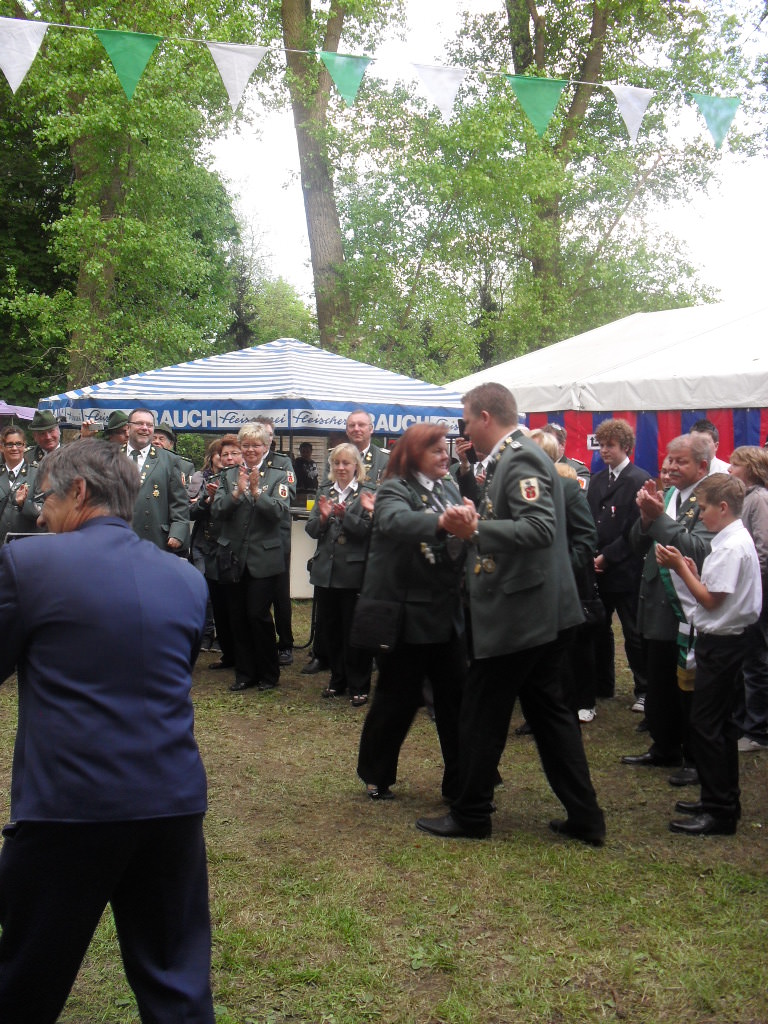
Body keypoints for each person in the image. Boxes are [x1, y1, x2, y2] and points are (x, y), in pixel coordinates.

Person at [0, 440, 214, 1023]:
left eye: (46, 498)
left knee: (25, 979)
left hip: (70, 806)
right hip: (172, 802)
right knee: (176, 981)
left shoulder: (29, 564)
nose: (39, 515)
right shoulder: (185, 579)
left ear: (79, 492)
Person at [416, 383, 605, 845]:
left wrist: (476, 530)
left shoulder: (520, 458)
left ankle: (471, 814)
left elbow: (539, 528)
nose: (464, 431)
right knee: (550, 717)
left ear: (485, 416)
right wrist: (479, 518)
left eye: (466, 421)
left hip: (522, 614)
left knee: (481, 713)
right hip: (537, 611)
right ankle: (585, 817)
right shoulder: (513, 457)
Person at [357, 424, 473, 799]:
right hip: (407, 615)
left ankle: (462, 781)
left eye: (445, 449)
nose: (445, 455)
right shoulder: (396, 488)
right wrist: (441, 522)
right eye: (436, 449)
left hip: (445, 610)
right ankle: (377, 774)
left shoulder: (448, 486)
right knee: (397, 699)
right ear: (413, 454)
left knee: (456, 698)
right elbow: (393, 521)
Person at [657, 474, 761, 835]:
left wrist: (680, 569)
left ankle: (720, 810)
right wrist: (694, 571)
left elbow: (711, 600)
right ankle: (721, 797)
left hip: (723, 644)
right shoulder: (732, 540)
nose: (700, 516)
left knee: (707, 725)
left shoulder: (731, 546)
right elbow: (716, 590)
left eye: (703, 509)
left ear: (723, 507)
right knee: (721, 724)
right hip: (726, 641)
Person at [622, 433, 713, 777]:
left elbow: (699, 550)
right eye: (669, 460)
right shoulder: (671, 495)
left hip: (685, 607)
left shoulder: (710, 499)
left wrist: (658, 518)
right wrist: (646, 519)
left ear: (702, 466)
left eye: (680, 461)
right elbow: (637, 543)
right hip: (654, 601)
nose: (671, 467)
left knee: (687, 686)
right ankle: (664, 746)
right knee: (659, 680)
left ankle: (694, 756)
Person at [211, 422, 291, 693]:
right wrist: (236, 493)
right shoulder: (229, 475)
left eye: (256, 445)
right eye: (245, 445)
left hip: (263, 557)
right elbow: (217, 510)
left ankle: (268, 673)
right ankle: (245, 673)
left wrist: (257, 493)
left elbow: (280, 512)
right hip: (233, 556)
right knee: (237, 616)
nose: (250, 450)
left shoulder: (277, 475)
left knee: (257, 614)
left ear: (266, 446)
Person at [305, 443, 375, 707]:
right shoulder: (325, 491)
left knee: (354, 631)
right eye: (336, 463)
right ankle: (337, 679)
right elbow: (311, 529)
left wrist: (347, 517)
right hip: (327, 571)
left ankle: (359, 684)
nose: (341, 468)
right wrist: (323, 519)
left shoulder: (368, 492)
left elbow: (370, 532)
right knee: (331, 629)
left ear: (357, 465)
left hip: (353, 572)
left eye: (346, 463)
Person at [588, 419, 651, 709]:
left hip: (626, 568)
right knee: (599, 629)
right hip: (599, 567)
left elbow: (636, 529)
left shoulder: (638, 479)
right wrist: (593, 554)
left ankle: (644, 689)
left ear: (626, 447)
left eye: (610, 445)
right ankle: (602, 683)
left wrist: (608, 556)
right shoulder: (598, 480)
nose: (604, 450)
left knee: (633, 632)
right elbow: (591, 519)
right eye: (601, 445)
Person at [728, 446, 768, 750]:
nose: (730, 469)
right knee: (744, 658)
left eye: (735, 465)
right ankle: (743, 720)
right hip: (743, 590)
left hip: (756, 591)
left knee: (756, 659)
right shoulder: (744, 499)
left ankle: (758, 730)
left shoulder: (759, 500)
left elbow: (763, 550)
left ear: (751, 469)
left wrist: (747, 582)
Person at [191, 435, 242, 671]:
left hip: (234, 549)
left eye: (233, 454)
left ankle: (239, 651)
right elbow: (193, 510)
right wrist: (208, 499)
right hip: (210, 546)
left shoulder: (245, 478)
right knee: (217, 601)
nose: (227, 459)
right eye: (224, 455)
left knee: (235, 604)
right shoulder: (210, 479)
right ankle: (227, 652)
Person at [255, 416, 297, 666]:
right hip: (250, 536)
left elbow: (288, 494)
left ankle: (285, 643)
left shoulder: (282, 463)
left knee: (280, 592)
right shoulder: (245, 460)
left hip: (276, 535)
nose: (265, 438)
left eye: (269, 434)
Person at [123, 407, 190, 554]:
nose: (145, 428)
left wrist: (177, 532)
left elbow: (179, 503)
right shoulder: (111, 456)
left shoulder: (169, 460)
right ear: (128, 428)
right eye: (139, 423)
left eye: (149, 425)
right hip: (118, 539)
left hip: (155, 540)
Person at [0, 426, 40, 543]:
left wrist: (23, 504)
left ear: (24, 446)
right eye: (9, 444)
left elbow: (44, 511)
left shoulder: (37, 474)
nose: (14, 448)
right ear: (1, 447)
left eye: (18, 444)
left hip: (27, 544)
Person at [541, 422, 590, 490]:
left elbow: (578, 493)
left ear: (562, 445)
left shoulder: (578, 470)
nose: (546, 447)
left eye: (551, 443)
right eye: (543, 443)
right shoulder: (537, 467)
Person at [152, 422, 195, 487]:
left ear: (171, 444)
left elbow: (190, 490)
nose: (157, 441)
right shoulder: (140, 461)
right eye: (153, 438)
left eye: (161, 439)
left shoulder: (185, 466)